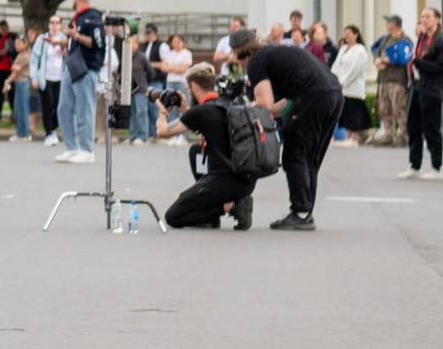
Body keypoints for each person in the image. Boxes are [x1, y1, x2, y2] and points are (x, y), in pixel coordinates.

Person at [228, 23, 340, 229]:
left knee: (294, 154)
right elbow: (278, 106)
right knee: (309, 158)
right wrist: (264, 109)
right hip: (332, 93)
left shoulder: (256, 61)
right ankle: (305, 212)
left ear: (237, 51)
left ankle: (301, 213)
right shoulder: (276, 54)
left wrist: (248, 106)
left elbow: (265, 103)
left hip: (312, 96)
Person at [151, 64, 260, 229]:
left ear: (194, 86)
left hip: (224, 181)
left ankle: (231, 207)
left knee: (173, 216)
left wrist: (163, 111)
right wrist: (186, 110)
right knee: (196, 151)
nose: (188, 91)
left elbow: (162, 131)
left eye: (188, 87)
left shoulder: (201, 112)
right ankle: (217, 210)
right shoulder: (227, 103)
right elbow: (205, 124)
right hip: (246, 177)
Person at [57, 0, 105, 163]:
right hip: (73, 66)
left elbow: (98, 43)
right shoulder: (79, 16)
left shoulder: (93, 17)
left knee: (85, 109)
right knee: (64, 107)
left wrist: (75, 36)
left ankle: (87, 149)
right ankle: (72, 147)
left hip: (86, 67)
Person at [405, 6, 443, 181]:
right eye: (422, 16)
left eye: (428, 16)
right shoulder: (421, 37)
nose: (424, 19)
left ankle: (437, 166)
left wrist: (418, 62)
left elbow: (438, 67)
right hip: (418, 85)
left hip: (433, 88)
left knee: (431, 128)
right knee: (413, 125)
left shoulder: (440, 39)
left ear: (437, 19)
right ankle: (415, 165)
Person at [376, 15, 411, 150]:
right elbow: (378, 52)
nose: (387, 24)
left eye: (389, 21)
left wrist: (384, 60)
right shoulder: (386, 39)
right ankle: (389, 134)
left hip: (397, 79)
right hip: (384, 78)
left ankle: (403, 135)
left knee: (399, 108)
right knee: (386, 108)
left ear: (395, 24)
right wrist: (377, 61)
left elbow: (404, 56)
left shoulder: (404, 39)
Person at [333, 25, 373, 145]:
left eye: (349, 33)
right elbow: (337, 65)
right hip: (342, 88)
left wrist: (344, 80)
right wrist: (334, 78)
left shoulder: (360, 50)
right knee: (345, 112)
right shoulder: (343, 48)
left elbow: (355, 69)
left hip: (353, 87)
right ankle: (347, 135)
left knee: (354, 111)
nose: (347, 36)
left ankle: (354, 137)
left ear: (356, 34)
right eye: (345, 33)